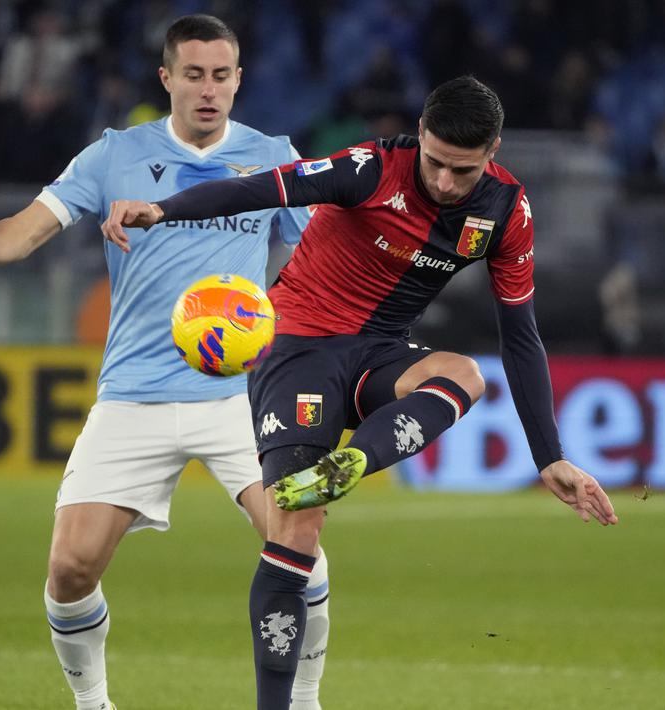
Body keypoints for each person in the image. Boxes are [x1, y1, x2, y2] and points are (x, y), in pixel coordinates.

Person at [101, 75, 619, 710]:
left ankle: (349, 465)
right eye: (435, 162)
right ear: (420, 134)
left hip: (379, 353)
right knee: (297, 532)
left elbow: (521, 336)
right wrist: (163, 210)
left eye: (463, 170)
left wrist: (550, 457)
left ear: (493, 152)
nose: (445, 182)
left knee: (466, 373)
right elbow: (266, 187)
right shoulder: (371, 169)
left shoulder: (506, 210)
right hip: (299, 349)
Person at [0, 15, 332, 710]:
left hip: (239, 396)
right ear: (166, 78)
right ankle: (93, 705)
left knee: (297, 542)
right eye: (194, 75)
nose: (208, 90)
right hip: (134, 394)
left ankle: (303, 702)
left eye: (221, 76)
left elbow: (325, 254)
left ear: (238, 80)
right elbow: (30, 226)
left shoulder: (274, 158)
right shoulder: (115, 155)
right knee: (70, 568)